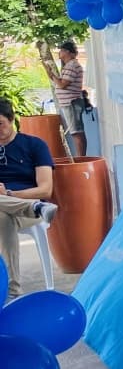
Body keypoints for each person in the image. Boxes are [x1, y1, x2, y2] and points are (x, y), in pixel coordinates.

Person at [0, 100, 58, 299]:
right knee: (2, 216)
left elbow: (46, 188)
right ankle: (34, 207)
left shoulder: (34, 145)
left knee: (2, 217)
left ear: (11, 119)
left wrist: (8, 194)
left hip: (20, 210)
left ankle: (13, 290)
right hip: (28, 207)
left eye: (0, 123)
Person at [50, 41, 86, 156]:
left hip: (72, 102)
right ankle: (81, 156)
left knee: (76, 132)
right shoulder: (69, 66)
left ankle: (81, 157)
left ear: (68, 52)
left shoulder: (72, 65)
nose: (59, 53)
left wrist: (53, 76)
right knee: (75, 131)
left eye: (61, 50)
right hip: (69, 102)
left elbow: (63, 84)